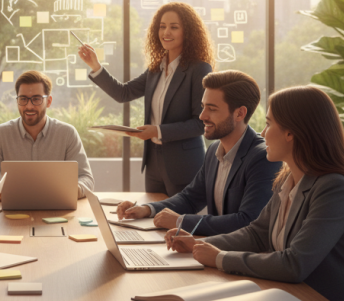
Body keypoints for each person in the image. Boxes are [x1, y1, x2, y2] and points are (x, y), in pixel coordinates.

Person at [165, 86, 344, 301]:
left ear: (291, 133)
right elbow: (257, 234)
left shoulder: (333, 188)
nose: (261, 132)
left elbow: (294, 264)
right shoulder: (288, 179)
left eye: (268, 123)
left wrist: (220, 258)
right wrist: (200, 245)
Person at [115, 70, 281, 236]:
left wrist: (181, 221)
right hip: (214, 248)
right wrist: (146, 209)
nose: (202, 116)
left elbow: (247, 221)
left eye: (212, 109)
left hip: (239, 256)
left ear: (240, 113)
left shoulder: (263, 157)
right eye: (203, 107)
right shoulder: (214, 150)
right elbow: (190, 198)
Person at [79, 2, 214, 196]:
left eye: (174, 27)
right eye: (162, 26)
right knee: (153, 221)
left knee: (176, 223)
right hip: (153, 164)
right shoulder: (156, 69)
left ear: (189, 32)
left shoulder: (199, 69)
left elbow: (200, 123)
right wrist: (95, 66)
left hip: (183, 166)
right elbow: (123, 93)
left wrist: (157, 131)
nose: (166, 32)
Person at [0, 70, 95, 199]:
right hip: (11, 214)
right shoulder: (0, 134)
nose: (29, 106)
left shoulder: (67, 134)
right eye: (23, 99)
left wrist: (72, 190)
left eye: (36, 99)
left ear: (48, 101)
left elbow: (86, 178)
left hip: (58, 210)